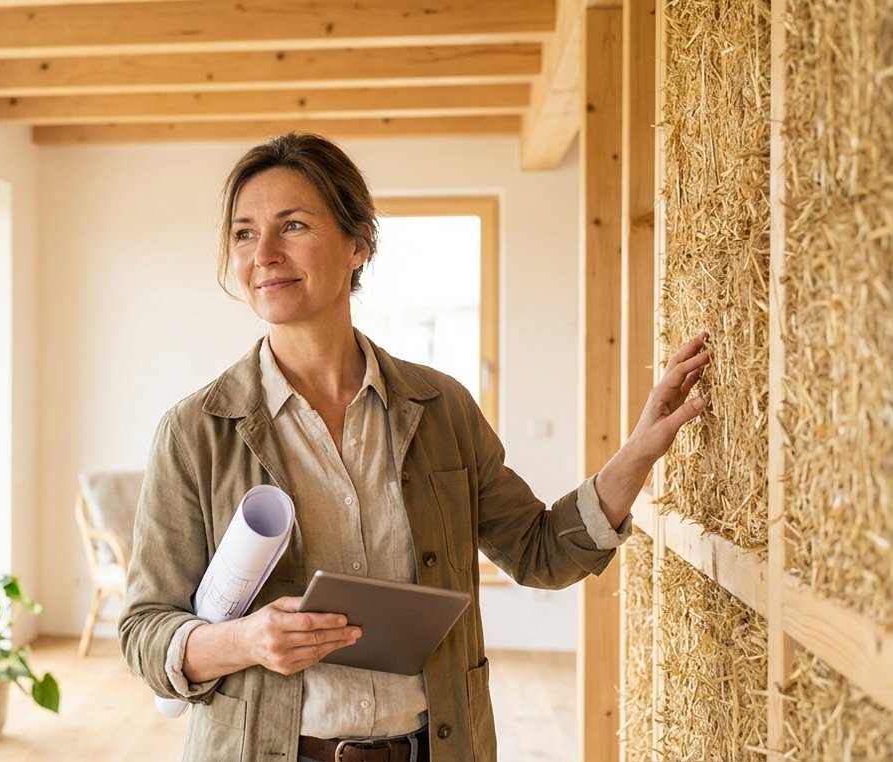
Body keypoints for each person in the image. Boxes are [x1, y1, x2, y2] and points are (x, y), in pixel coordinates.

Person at [119, 133, 711, 762]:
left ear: (359, 244)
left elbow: (541, 553)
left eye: (291, 225)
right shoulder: (196, 431)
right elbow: (143, 631)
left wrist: (640, 449)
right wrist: (246, 641)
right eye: (243, 233)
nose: (263, 253)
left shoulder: (441, 409)